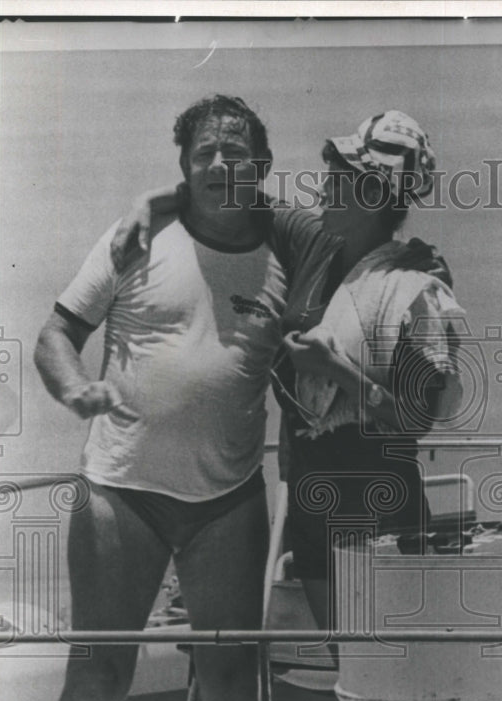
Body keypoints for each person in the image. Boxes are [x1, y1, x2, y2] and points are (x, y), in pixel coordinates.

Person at [115, 110, 465, 636]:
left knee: (384, 666)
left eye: (340, 177)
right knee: (343, 660)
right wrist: (149, 201)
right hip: (310, 492)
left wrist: (337, 369)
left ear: (373, 194)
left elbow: (416, 421)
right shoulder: (313, 244)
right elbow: (230, 190)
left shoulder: (416, 283)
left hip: (378, 493)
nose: (325, 183)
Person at [33, 95, 288, 701]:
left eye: (233, 153)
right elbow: (54, 336)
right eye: (203, 154)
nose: (217, 164)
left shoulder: (290, 251)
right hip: (123, 490)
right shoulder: (137, 237)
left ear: (261, 169)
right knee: (99, 673)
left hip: (229, 497)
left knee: (233, 677)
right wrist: (77, 389)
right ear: (184, 169)